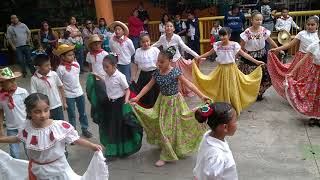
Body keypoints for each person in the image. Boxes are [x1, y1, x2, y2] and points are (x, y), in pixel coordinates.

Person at [130, 46, 210, 167]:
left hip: (175, 103)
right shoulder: (156, 73)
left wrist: (202, 95)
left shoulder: (175, 72)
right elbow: (147, 86)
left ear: (170, 61)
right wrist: (137, 97)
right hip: (162, 103)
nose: (159, 64)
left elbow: (188, 83)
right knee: (161, 125)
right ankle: (166, 146)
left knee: (170, 128)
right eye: (158, 61)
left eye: (162, 62)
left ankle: (166, 155)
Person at [0, 93, 109, 180]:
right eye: (37, 112)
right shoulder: (27, 127)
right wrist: (2, 139)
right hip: (38, 172)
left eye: (46, 110)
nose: (43, 115)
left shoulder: (59, 127)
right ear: (29, 113)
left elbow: (76, 140)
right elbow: (18, 139)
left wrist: (91, 145)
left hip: (59, 171)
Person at [192, 27, 264, 115]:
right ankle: (224, 108)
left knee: (232, 90)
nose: (222, 37)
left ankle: (233, 108)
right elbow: (209, 53)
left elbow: (244, 54)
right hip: (220, 70)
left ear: (229, 35)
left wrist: (256, 62)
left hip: (232, 70)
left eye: (224, 35)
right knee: (221, 89)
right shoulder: (217, 45)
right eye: (221, 35)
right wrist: (199, 57)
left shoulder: (234, 45)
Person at [92, 54, 143, 159]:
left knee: (118, 128)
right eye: (104, 66)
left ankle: (117, 151)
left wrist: (126, 100)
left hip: (119, 104)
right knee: (111, 127)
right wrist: (97, 76)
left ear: (114, 66)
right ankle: (113, 150)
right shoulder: (107, 75)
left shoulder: (120, 76)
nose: (105, 69)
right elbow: (105, 81)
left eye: (107, 67)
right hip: (110, 104)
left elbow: (127, 89)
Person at [268, 16, 319, 98]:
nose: (310, 26)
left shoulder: (318, 35)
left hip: (313, 60)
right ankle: (297, 96)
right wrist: (277, 49)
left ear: (317, 25)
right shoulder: (301, 33)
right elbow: (290, 44)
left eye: (312, 25)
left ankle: (307, 96)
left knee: (310, 79)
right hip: (301, 58)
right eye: (308, 24)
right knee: (298, 77)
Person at [238, 10, 279, 101]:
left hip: (262, 55)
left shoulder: (263, 31)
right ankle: (249, 94)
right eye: (257, 19)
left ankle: (259, 93)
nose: (259, 21)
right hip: (249, 57)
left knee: (265, 76)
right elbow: (241, 46)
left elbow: (270, 41)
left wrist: (278, 49)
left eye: (260, 20)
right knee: (250, 77)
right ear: (251, 20)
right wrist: (237, 56)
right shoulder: (247, 32)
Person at [54, 44, 93, 138]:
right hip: (68, 95)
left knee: (82, 112)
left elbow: (76, 78)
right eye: (69, 55)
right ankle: (73, 132)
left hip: (79, 92)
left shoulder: (77, 65)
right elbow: (59, 84)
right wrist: (62, 99)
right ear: (62, 57)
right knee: (71, 115)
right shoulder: (60, 69)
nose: (72, 56)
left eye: (73, 54)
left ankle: (85, 129)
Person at [152, 21, 200, 97]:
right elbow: (156, 44)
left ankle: (181, 93)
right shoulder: (162, 38)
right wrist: (148, 48)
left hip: (177, 60)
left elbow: (185, 48)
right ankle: (174, 93)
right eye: (167, 26)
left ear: (173, 29)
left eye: (171, 26)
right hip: (167, 63)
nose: (169, 28)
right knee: (171, 79)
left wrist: (197, 56)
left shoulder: (177, 37)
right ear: (164, 28)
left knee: (181, 78)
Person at [193, 102, 238, 180]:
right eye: (235, 121)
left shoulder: (208, 135)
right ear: (225, 127)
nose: (237, 124)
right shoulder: (217, 156)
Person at [285, 41, 320, 126]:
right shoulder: (314, 46)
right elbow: (303, 60)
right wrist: (292, 72)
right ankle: (314, 117)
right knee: (313, 95)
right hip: (315, 74)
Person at [0, 67, 28, 159]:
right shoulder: (1, 97)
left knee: (29, 150)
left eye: (14, 80)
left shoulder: (22, 92)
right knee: (14, 154)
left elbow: (30, 108)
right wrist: (1, 129)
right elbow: (0, 113)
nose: (13, 83)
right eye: (9, 81)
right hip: (11, 128)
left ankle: (32, 169)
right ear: (2, 84)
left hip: (25, 126)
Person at [30, 54, 67, 120]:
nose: (50, 67)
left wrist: (64, 102)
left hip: (57, 106)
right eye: (46, 65)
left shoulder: (54, 74)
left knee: (59, 126)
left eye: (49, 64)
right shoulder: (34, 79)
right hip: (44, 109)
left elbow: (61, 87)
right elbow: (34, 95)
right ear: (38, 67)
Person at [131, 33, 160, 108]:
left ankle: (156, 107)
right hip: (143, 75)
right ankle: (148, 108)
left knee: (156, 92)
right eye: (143, 42)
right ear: (140, 43)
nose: (146, 43)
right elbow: (135, 65)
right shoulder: (138, 51)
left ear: (150, 41)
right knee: (145, 94)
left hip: (155, 73)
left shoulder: (155, 50)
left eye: (147, 41)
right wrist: (133, 76)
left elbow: (160, 62)